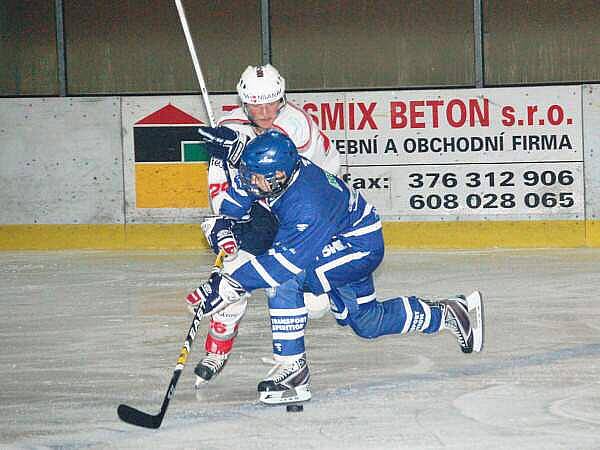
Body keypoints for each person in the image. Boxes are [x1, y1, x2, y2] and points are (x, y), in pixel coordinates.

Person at [186, 130, 485, 405]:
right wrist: (227, 212)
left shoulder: (308, 203)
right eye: (249, 175)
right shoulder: (278, 173)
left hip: (357, 248)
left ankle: (293, 368)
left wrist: (228, 284)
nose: (250, 182)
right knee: (367, 323)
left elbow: (283, 265)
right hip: (336, 237)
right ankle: (448, 313)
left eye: (255, 177)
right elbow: (238, 203)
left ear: (278, 176)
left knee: (284, 280)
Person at [188, 64, 340, 386]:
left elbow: (297, 180)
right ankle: (217, 351)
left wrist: (238, 152)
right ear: (244, 102)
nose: (265, 111)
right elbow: (219, 181)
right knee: (231, 282)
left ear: (282, 97)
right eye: (256, 104)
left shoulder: (298, 127)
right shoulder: (228, 125)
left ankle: (301, 338)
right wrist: (227, 221)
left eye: (272, 102)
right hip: (255, 210)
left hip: (305, 212)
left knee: (313, 303)